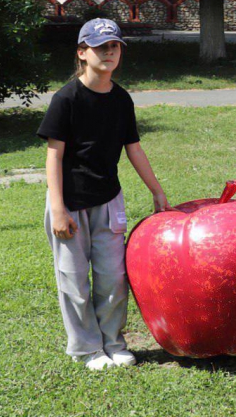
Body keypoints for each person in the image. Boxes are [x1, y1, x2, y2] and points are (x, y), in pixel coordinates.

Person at [38, 19, 170, 371]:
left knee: (113, 278)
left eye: (114, 46)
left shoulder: (121, 98)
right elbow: (54, 156)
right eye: (100, 47)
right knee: (74, 282)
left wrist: (156, 191)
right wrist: (59, 209)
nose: (109, 52)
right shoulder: (66, 98)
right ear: (82, 53)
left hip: (108, 199)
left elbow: (134, 149)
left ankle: (113, 342)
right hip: (69, 204)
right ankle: (87, 349)